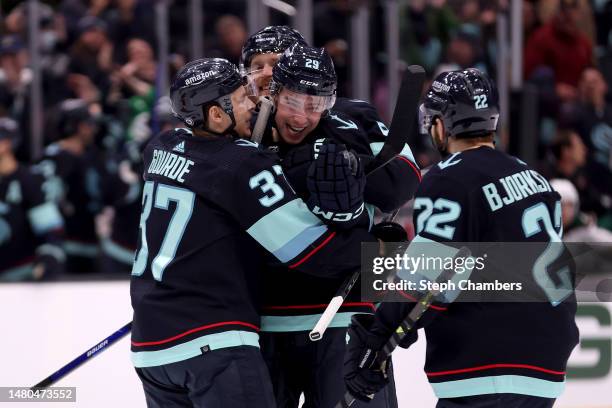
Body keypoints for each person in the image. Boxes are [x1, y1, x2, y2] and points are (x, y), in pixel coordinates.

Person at [130, 57, 377, 408]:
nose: (256, 104)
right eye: (243, 98)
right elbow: (313, 251)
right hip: (213, 343)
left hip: (150, 347)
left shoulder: (159, 148)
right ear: (217, 115)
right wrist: (377, 245)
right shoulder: (240, 163)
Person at [343, 68, 579, 408]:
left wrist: (377, 334)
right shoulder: (535, 178)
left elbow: (428, 275)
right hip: (547, 360)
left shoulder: (449, 179)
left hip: (489, 359)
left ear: (440, 124)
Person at [243, 40, 421, 407]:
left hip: (348, 314)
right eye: (257, 65)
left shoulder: (354, 116)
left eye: (273, 63)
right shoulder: (239, 130)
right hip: (263, 321)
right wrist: (303, 168)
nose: (302, 116)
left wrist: (348, 173)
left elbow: (402, 181)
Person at [38, 99, 105, 273]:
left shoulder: (91, 155)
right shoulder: (54, 158)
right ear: (75, 126)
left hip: (88, 243)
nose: (92, 129)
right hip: (63, 245)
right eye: (88, 124)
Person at [0, 117, 65, 281]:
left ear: (6, 144)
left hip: (20, 275)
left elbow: (50, 228)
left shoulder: (28, 180)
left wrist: (47, 259)